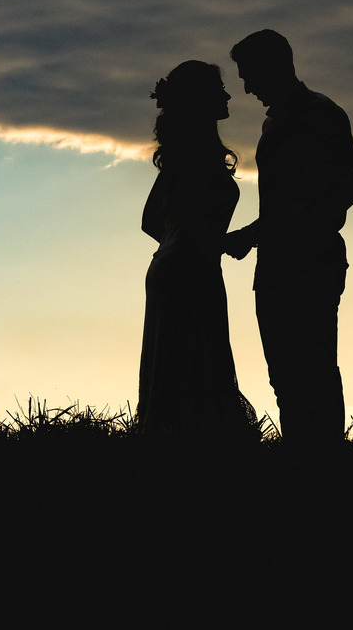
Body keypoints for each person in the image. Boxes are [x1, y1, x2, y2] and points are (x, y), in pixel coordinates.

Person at [223, 30, 353, 445]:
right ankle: (301, 457)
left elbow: (345, 188)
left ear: (275, 66)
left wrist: (254, 233)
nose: (247, 89)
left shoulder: (321, 115)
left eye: (250, 76)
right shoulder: (275, 122)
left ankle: (321, 459)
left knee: (313, 373)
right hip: (275, 267)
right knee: (284, 377)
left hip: (311, 264)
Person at [138, 60, 258, 438]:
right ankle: (200, 455)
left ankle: (176, 449)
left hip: (172, 266)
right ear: (200, 100)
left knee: (179, 365)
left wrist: (182, 246)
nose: (227, 96)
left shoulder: (182, 153)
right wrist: (221, 242)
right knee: (199, 364)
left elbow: (151, 221)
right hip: (192, 271)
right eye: (218, 91)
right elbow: (186, 214)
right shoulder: (198, 154)